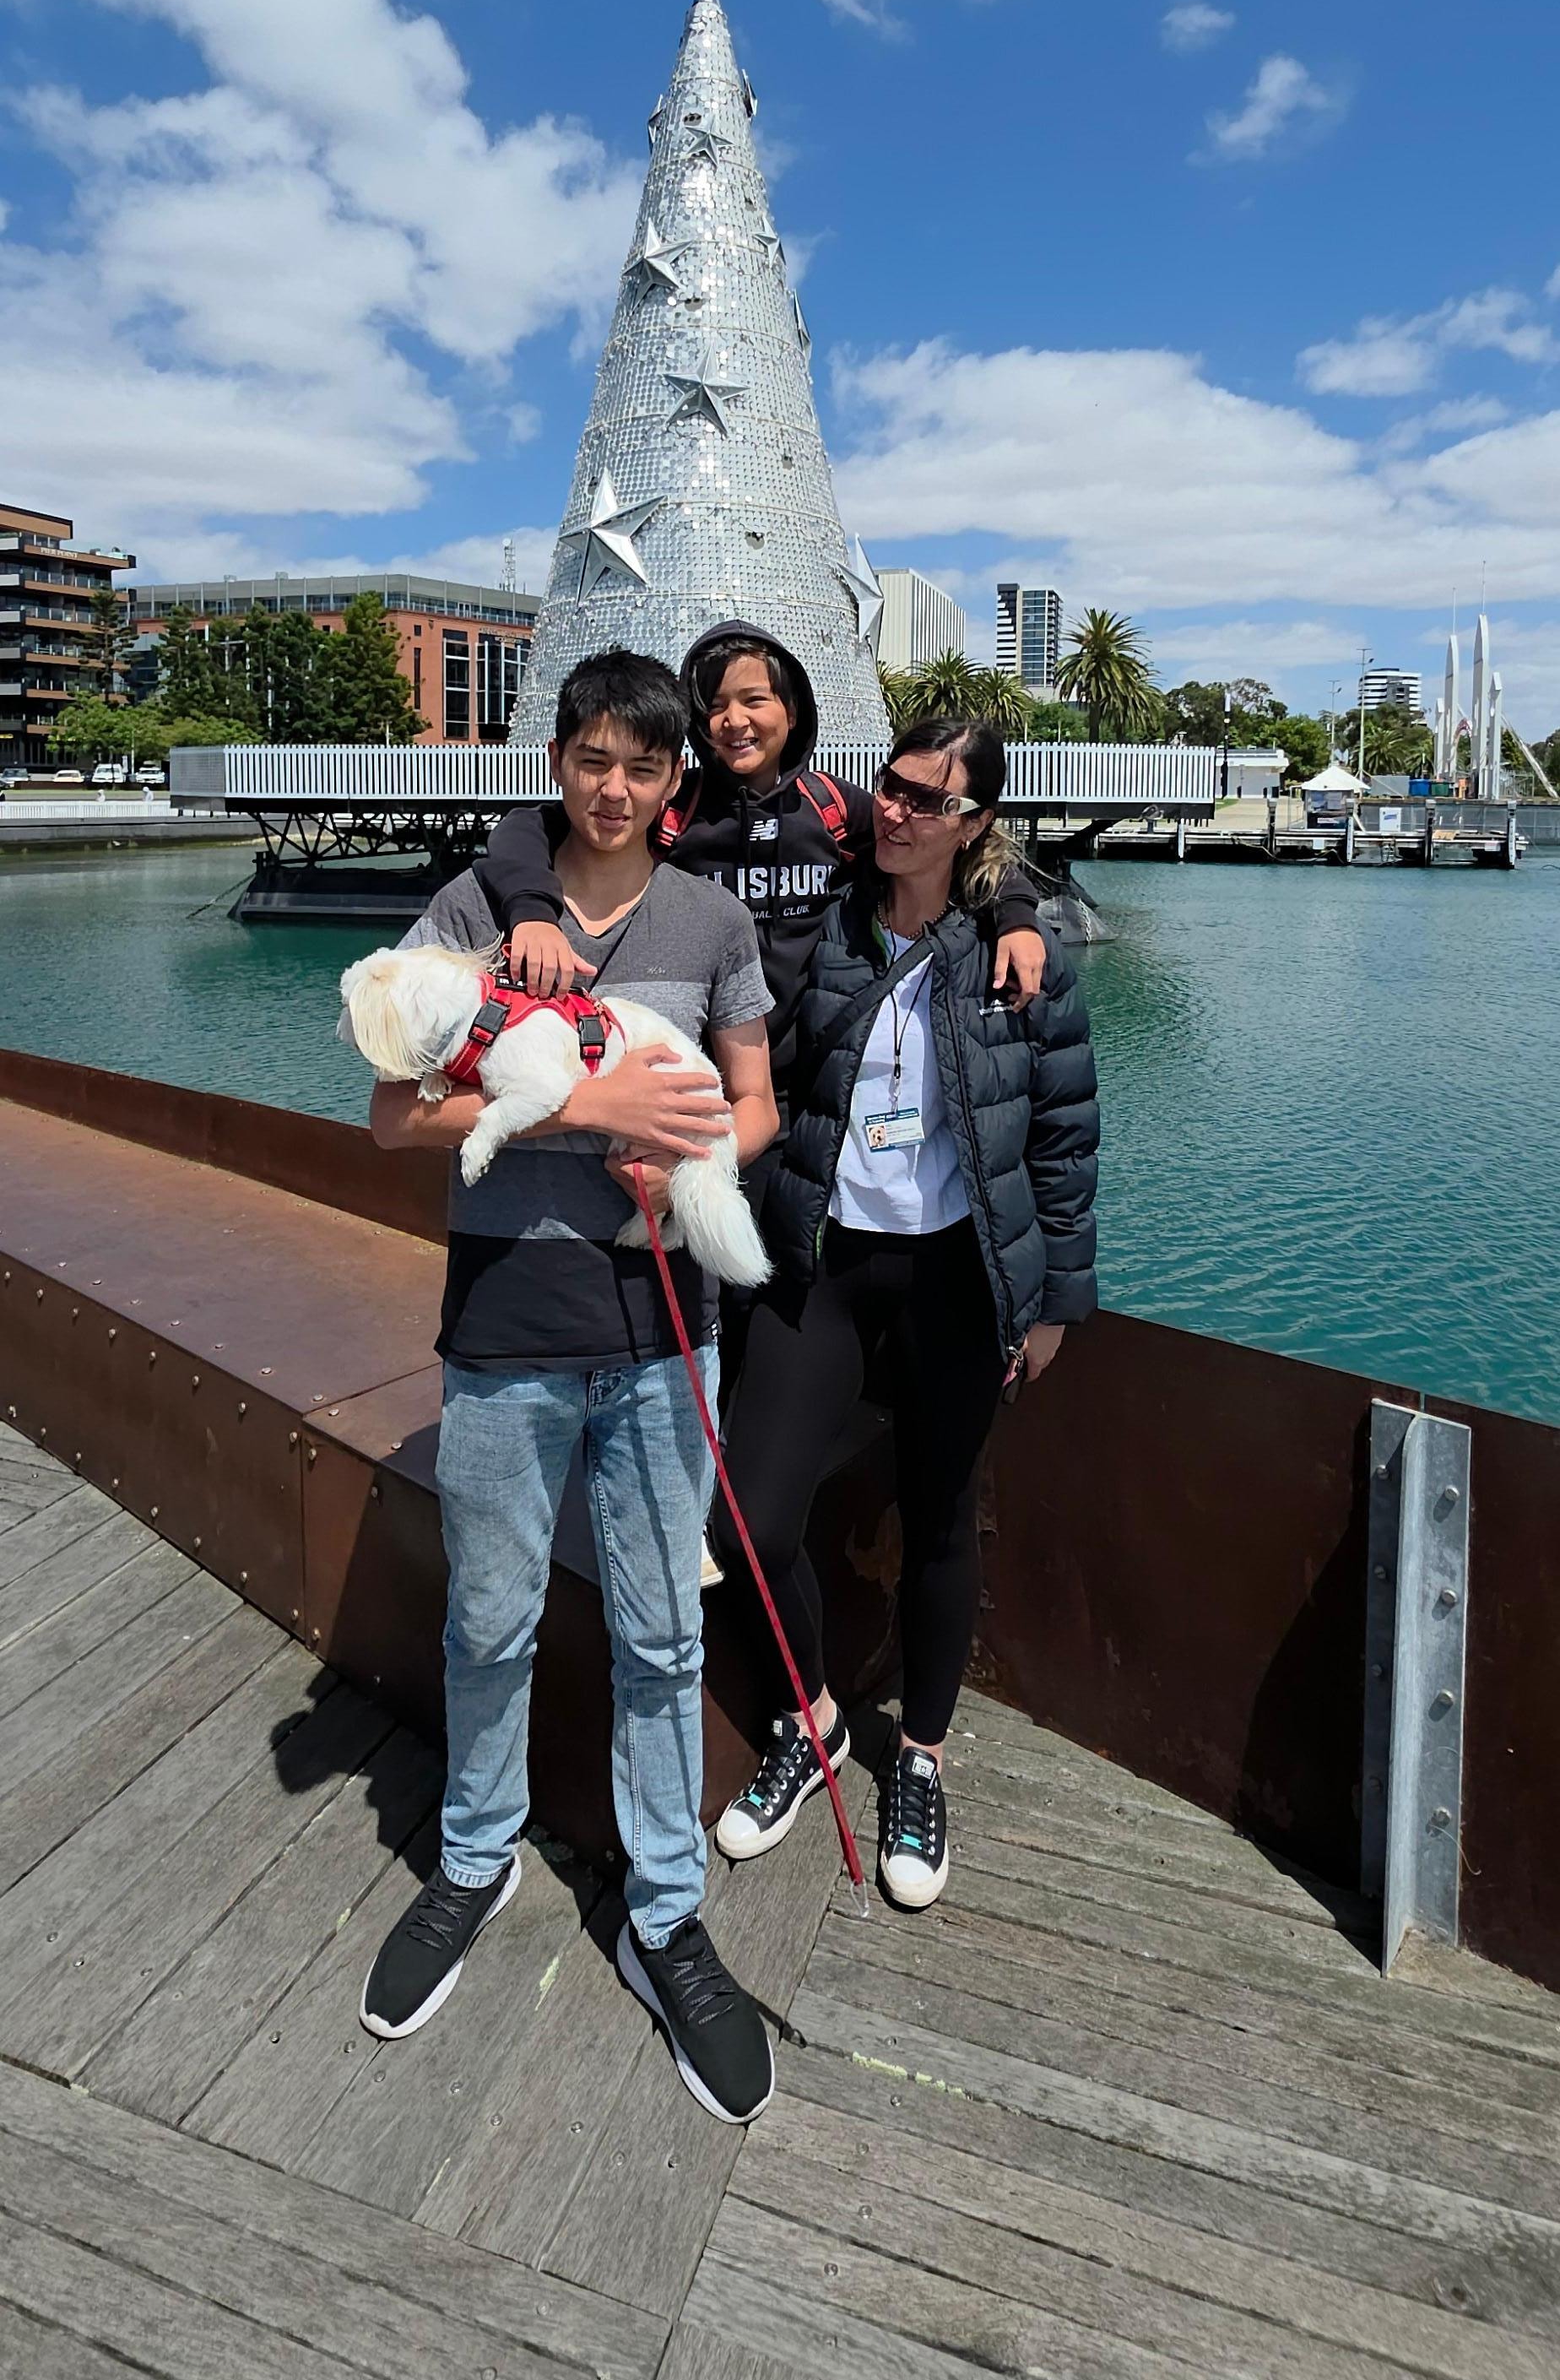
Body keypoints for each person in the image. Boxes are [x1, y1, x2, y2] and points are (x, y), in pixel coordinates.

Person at [359, 647, 781, 2126]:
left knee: (667, 1638)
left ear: (677, 784)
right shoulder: (477, 908)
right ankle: (471, 1860)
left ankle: (664, 1909)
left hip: (667, 1340)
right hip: (504, 1332)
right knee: (489, 1621)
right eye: (591, 760)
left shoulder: (714, 918)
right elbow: (387, 1112)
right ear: (556, 764)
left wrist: (689, 1165)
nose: (615, 787)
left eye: (643, 766)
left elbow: (754, 1101)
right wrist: (590, 1103)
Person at [711, 714, 1098, 1909]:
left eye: (931, 801)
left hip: (956, 1275)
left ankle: (920, 1758)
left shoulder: (1019, 952)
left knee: (941, 1522)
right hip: (821, 1258)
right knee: (748, 1526)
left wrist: (1054, 1304)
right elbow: (748, 1042)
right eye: (891, 786)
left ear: (975, 822)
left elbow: (1065, 1138)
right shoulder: (818, 922)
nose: (897, 813)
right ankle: (815, 1719)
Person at [478, 622, 1048, 1240]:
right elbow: (526, 830)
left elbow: (951, 852)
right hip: (686, 1094)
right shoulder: (674, 804)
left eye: (755, 700)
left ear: (793, 709)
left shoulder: (832, 809)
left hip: (792, 1107)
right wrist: (533, 911)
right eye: (716, 705)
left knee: (768, 1278)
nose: (734, 720)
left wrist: (1015, 914)